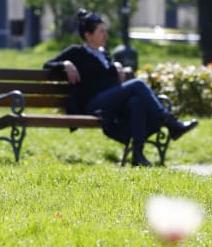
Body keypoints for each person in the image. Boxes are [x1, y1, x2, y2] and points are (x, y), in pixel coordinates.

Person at [43, 9, 198, 166]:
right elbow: (47, 65)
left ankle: (137, 155)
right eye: (101, 31)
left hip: (109, 102)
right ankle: (170, 122)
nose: (106, 35)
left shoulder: (104, 54)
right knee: (138, 84)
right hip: (92, 104)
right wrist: (65, 64)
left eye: (106, 31)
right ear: (88, 36)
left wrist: (114, 65)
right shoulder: (76, 52)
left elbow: (105, 77)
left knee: (136, 102)